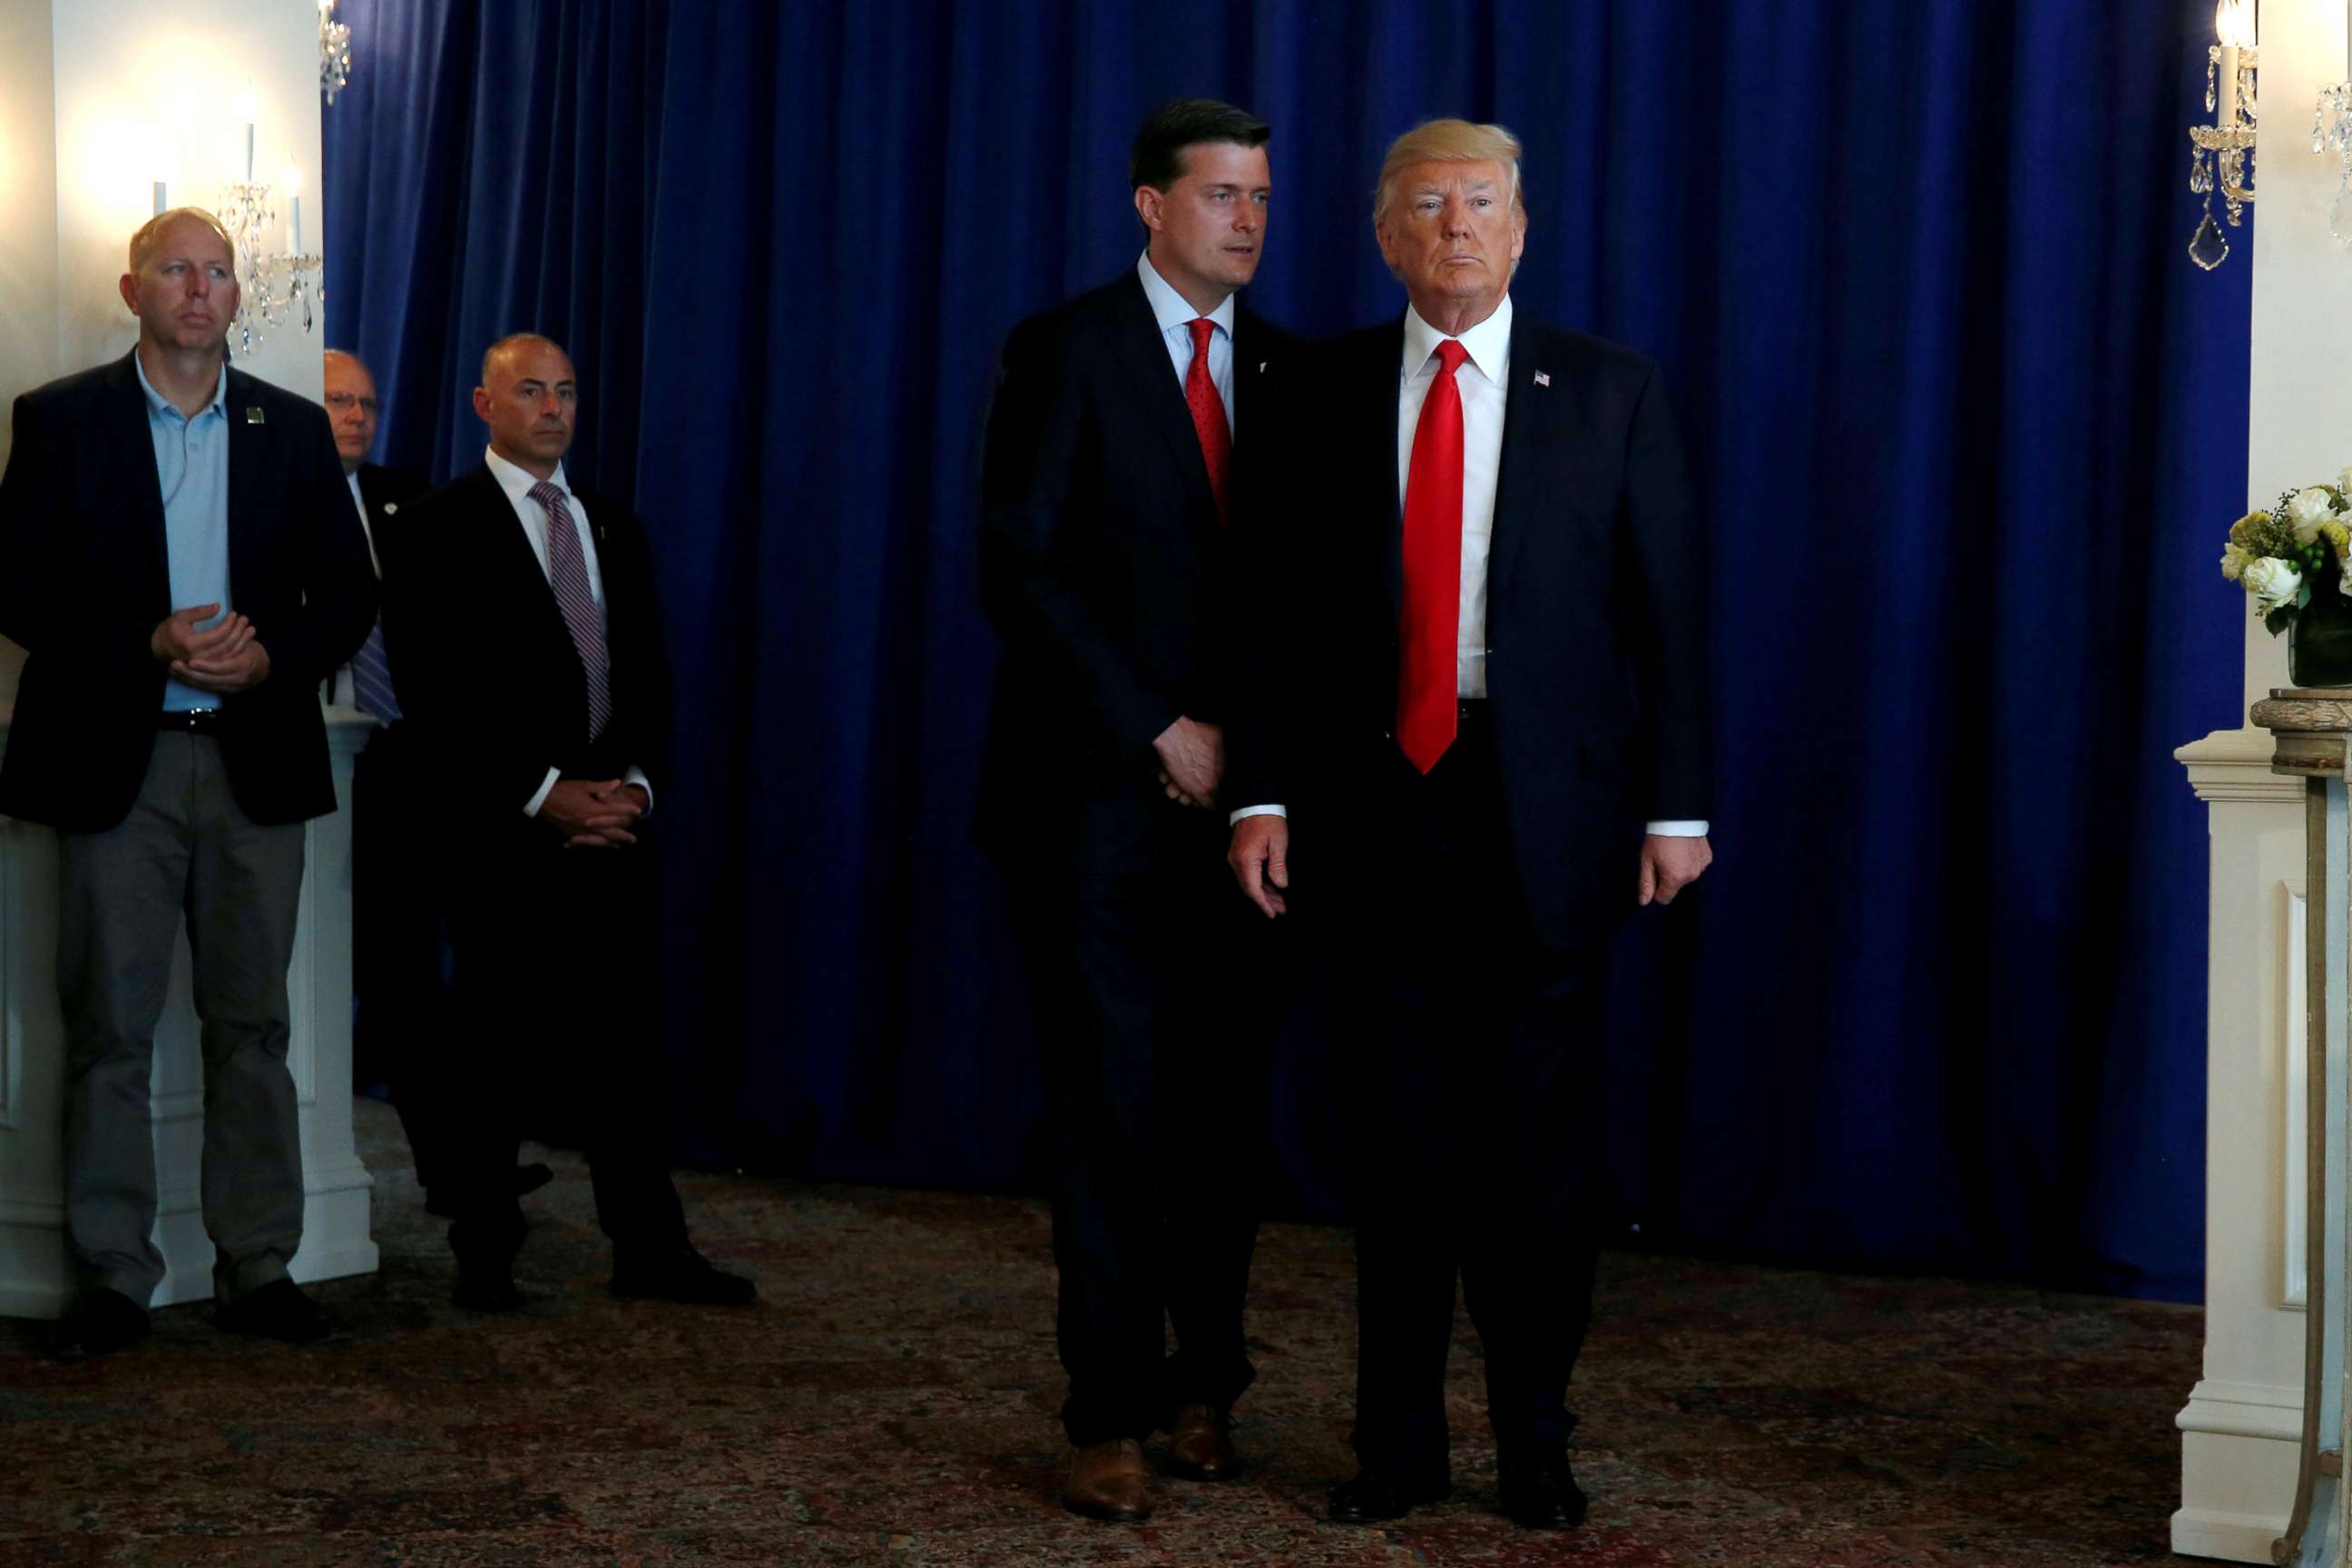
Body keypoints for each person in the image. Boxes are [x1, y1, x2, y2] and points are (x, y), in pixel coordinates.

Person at [1225, 119, 1715, 1531]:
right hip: (1376, 805)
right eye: (1426, 206)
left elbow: (1665, 616)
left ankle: (1535, 1441)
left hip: (1545, 809)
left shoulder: (1611, 392)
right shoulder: (1316, 390)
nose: (1455, 227)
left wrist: (1676, 803)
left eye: (1480, 203)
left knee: (1538, 1155)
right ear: (1385, 238)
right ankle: (1395, 1449)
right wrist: (1261, 790)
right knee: (1393, 1146)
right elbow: (1268, 622)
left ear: (1522, 228)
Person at [978, 98, 1297, 1524]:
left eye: (1263, 196)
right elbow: (1021, 570)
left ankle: (1201, 1389)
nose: (1248, 217)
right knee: (1111, 1120)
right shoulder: (1066, 348)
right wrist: (1156, 727)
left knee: (1225, 1115)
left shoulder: (1291, 371)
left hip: (1252, 814)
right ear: (1149, 206)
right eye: (1222, 193)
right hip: (1094, 801)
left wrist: (1259, 761)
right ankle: (1103, 1411)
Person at [0, 207, 377, 1357]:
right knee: (109, 1027)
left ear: (235, 296)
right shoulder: (61, 420)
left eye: (219, 273)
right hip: (123, 763)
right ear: (134, 291)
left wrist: (272, 658)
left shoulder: (295, 429)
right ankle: (116, 1276)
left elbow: (349, 596)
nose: (201, 290)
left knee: (250, 1024)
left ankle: (259, 1265)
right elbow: (14, 590)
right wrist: (147, 643)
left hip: (255, 757)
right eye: (178, 271)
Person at [382, 332, 752, 1313]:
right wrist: (543, 793)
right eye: (532, 391)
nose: (553, 408)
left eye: (567, 393)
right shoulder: (432, 527)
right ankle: (486, 1253)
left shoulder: (613, 526)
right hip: (504, 828)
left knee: (630, 1050)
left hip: (614, 822)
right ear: (484, 404)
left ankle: (651, 1251)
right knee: (494, 1049)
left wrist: (632, 783)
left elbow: (647, 675)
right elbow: (435, 691)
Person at [319, 348, 551, 1219]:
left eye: (368, 403)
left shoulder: (406, 496)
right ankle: (456, 1166)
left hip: (415, 764)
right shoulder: (262, 497)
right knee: (387, 976)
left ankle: (460, 1166)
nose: (358, 417)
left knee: (419, 972)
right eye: (338, 400)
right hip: (310, 757)